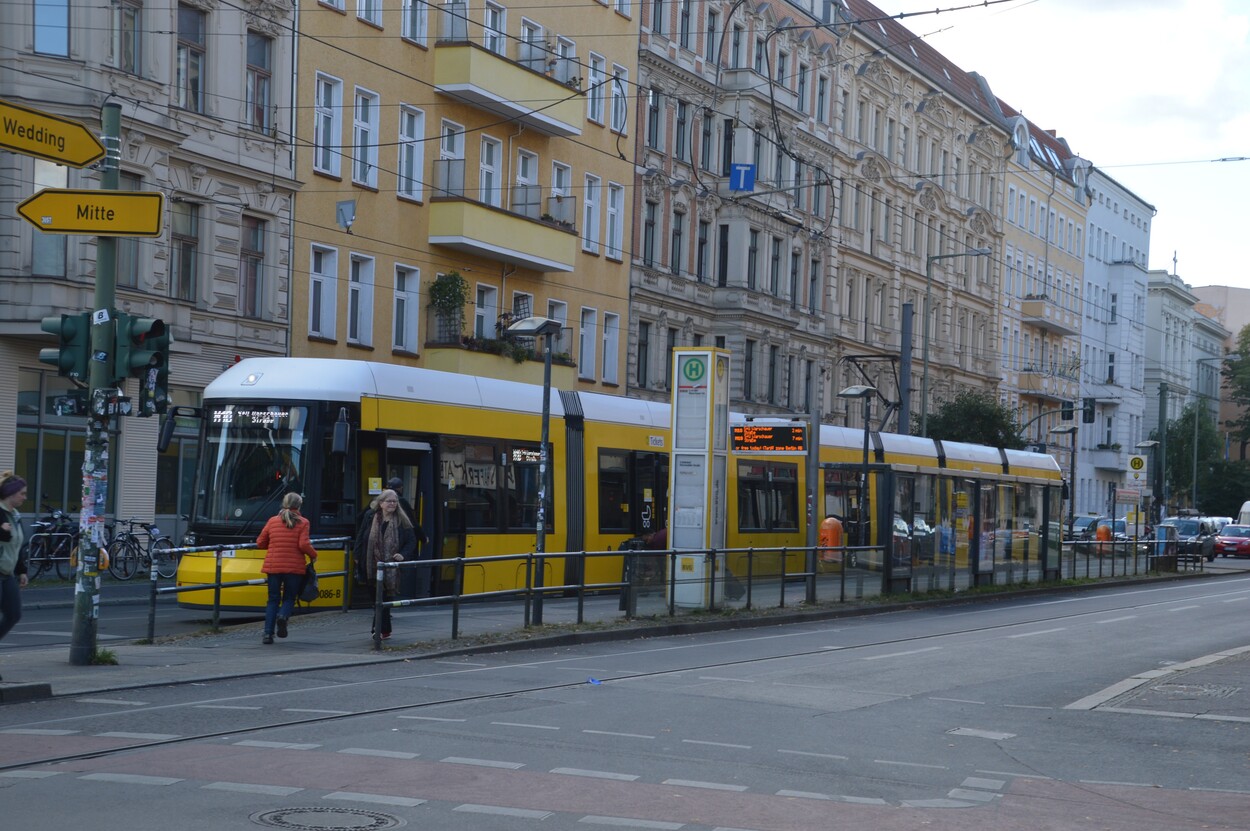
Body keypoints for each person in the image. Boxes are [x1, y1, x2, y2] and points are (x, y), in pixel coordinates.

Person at [256, 492, 318, 645]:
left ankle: (268, 635)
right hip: (294, 568)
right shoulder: (303, 522)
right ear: (299, 505)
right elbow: (303, 544)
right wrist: (313, 554)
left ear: (283, 504)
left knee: (272, 600)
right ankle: (283, 616)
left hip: (273, 566)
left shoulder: (272, 521)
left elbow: (260, 542)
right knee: (289, 597)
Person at [356, 488, 417, 639]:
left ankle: (377, 630)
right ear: (381, 503)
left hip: (391, 567)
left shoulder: (402, 519)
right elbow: (360, 536)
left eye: (395, 501)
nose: (392, 504)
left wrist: (403, 555)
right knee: (376, 599)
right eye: (389, 501)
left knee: (382, 599)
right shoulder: (370, 516)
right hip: (371, 565)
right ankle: (385, 629)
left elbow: (411, 540)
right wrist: (357, 556)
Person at [0, 472, 29, 678]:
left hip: (8, 573)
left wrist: (22, 571)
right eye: (22, 493)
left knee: (14, 614)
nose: (24, 498)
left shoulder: (15, 516)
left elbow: (17, 545)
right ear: (10, 494)